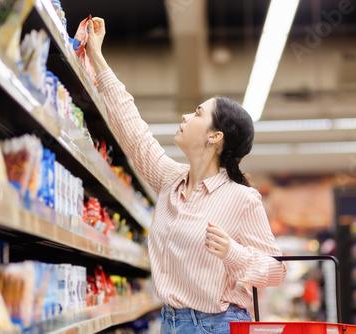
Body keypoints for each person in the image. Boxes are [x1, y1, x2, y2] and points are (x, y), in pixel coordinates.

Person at [86, 17, 287, 334]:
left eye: (197, 113)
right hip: (170, 323)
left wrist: (233, 254)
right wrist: (97, 56)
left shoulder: (241, 198)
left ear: (214, 137)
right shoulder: (170, 178)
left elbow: (277, 272)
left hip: (218, 326)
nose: (185, 116)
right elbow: (134, 133)